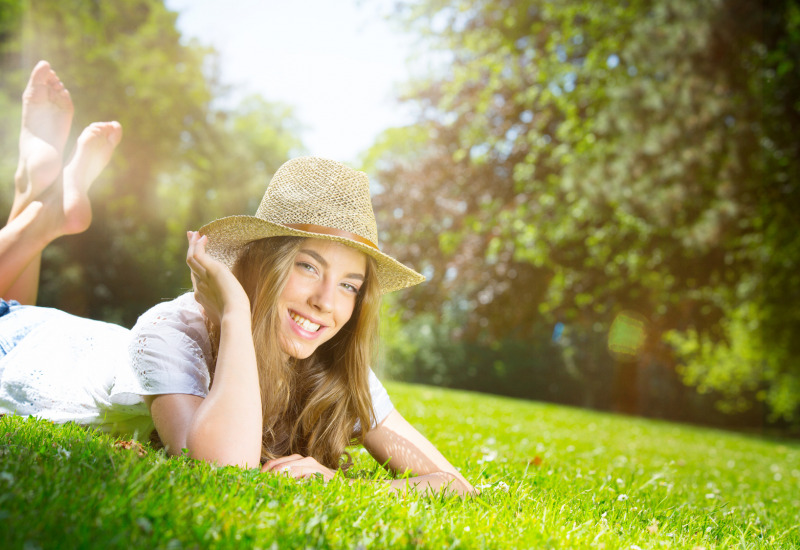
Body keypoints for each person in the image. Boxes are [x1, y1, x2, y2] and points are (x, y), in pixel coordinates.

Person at [0, 61, 474, 495]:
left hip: (57, 332)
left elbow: (453, 484)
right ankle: (40, 212)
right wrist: (236, 312)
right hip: (21, 342)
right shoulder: (170, 331)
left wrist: (351, 487)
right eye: (307, 267)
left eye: (350, 285)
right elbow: (222, 469)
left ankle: (35, 189)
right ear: (260, 264)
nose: (327, 302)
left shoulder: (335, 364)